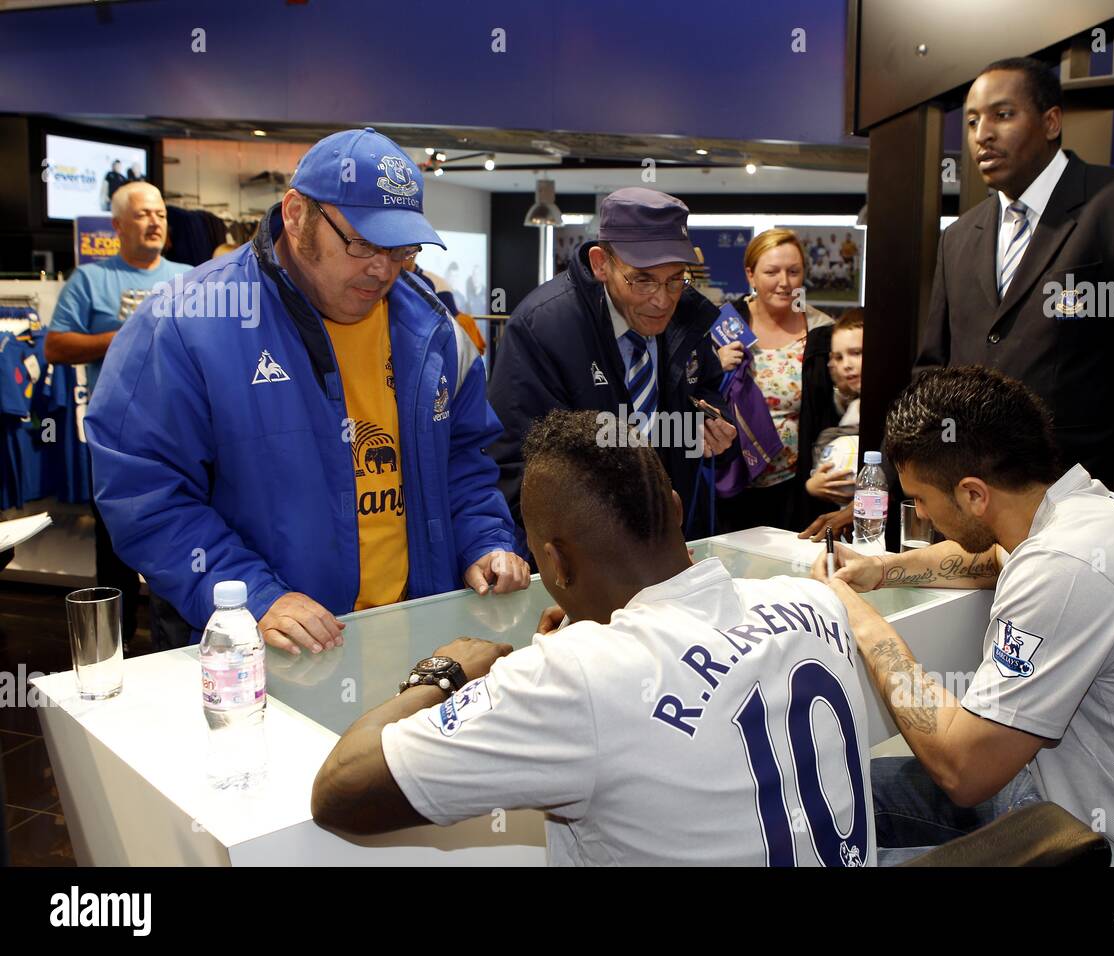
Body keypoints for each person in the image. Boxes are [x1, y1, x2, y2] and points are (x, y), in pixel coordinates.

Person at [312, 409, 876, 866]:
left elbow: (340, 792)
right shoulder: (811, 601)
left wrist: (442, 675)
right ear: (675, 510)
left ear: (553, 562)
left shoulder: (575, 675)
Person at [85, 128, 529, 655]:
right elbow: (144, 493)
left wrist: (484, 541)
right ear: (296, 215)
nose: (382, 269)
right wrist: (255, 598)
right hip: (261, 652)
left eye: (402, 250)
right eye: (363, 244)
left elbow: (465, 463)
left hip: (416, 636)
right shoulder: (185, 322)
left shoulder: (435, 332)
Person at [815, 365, 1114, 866]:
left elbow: (963, 771)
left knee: (835, 830)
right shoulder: (1108, 513)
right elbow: (991, 558)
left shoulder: (1061, 568)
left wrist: (860, 619)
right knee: (834, 793)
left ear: (973, 494)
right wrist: (882, 569)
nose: (922, 516)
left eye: (921, 500)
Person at [916, 57, 1114, 524]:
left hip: (1084, 502)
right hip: (973, 506)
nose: (982, 133)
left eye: (1002, 115)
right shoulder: (959, 237)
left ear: (1050, 121)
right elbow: (933, 368)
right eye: (971, 121)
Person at [487, 188, 737, 556]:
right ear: (602, 262)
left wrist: (708, 423)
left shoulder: (689, 316)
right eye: (643, 279)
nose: (662, 299)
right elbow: (519, 462)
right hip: (583, 555)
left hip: (670, 544)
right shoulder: (544, 328)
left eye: (674, 279)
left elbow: (707, 390)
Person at [46, 181, 191, 645]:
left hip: (185, 442)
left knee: (180, 550)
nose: (154, 222)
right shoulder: (90, 279)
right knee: (115, 559)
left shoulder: (192, 277)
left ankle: (175, 655)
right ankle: (113, 655)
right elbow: (55, 345)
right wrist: (129, 333)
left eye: (161, 215)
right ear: (118, 225)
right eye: (144, 214)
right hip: (117, 443)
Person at [714, 229, 836, 532]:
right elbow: (690, 391)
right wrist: (715, 368)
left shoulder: (822, 331)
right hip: (731, 483)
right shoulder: (723, 325)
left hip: (797, 490)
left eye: (794, 271)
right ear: (750, 275)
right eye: (772, 272)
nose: (785, 282)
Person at [806, 309, 863, 507]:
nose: (846, 365)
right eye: (838, 357)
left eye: (856, 353)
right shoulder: (848, 409)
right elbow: (816, 480)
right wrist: (813, 486)